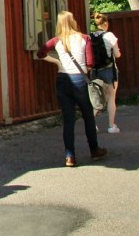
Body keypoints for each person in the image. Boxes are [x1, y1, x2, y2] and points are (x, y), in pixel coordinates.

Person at [36, 11, 107, 167]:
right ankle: (94, 150)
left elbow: (40, 53)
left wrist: (57, 63)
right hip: (80, 80)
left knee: (68, 120)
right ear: (72, 21)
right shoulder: (84, 38)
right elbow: (90, 62)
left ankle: (70, 156)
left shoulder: (56, 40)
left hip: (63, 79)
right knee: (88, 116)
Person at [91, 12, 122, 133]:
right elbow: (117, 55)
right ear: (105, 23)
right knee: (111, 98)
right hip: (109, 69)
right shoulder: (110, 36)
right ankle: (111, 126)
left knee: (96, 98)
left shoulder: (90, 36)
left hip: (95, 70)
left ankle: (92, 125)